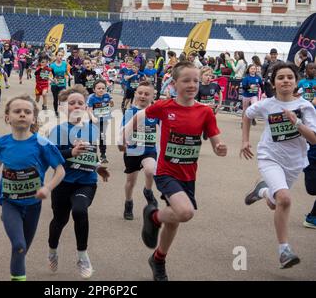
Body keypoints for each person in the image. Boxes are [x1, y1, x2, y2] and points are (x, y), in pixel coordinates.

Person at [125, 61, 227, 281]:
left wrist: (220, 148)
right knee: (185, 213)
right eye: (186, 80)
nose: (192, 85)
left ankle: (158, 259)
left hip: (188, 175)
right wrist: (125, 133)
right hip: (166, 171)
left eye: (196, 81)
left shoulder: (205, 112)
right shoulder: (164, 106)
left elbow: (216, 143)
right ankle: (153, 216)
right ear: (174, 83)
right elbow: (140, 116)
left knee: (174, 221)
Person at [0, 95, 65, 281]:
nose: (22, 114)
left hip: (33, 204)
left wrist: (47, 188)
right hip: (9, 201)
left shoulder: (43, 144)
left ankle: (16, 269)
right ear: (7, 117)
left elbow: (60, 171)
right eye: (17, 111)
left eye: (27, 112)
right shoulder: (2, 142)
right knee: (19, 245)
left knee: (22, 250)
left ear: (33, 118)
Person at [241, 63, 316, 269]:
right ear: (273, 83)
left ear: (296, 81)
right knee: (284, 198)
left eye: (289, 77)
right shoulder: (266, 105)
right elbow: (247, 115)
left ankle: (262, 190)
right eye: (280, 77)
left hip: (294, 162)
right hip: (270, 157)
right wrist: (245, 140)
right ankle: (284, 250)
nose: (285, 80)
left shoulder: (305, 107)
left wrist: (296, 123)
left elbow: (314, 139)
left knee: (275, 203)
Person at [47, 86, 109, 279]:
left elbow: (91, 155)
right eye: (71, 103)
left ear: (86, 106)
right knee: (60, 220)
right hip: (63, 182)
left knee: (80, 211)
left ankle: (82, 256)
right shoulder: (57, 130)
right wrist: (70, 152)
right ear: (63, 107)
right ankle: (52, 251)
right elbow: (52, 158)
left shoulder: (92, 129)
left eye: (80, 103)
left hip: (86, 182)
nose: (76, 106)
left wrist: (99, 167)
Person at [119, 81, 159, 220]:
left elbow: (168, 125)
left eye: (147, 94)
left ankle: (148, 191)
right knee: (131, 181)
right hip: (132, 151)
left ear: (153, 96)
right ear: (135, 94)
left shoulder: (156, 112)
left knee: (150, 170)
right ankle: (128, 202)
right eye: (140, 93)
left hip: (149, 150)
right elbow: (122, 130)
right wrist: (122, 141)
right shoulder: (130, 112)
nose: (143, 96)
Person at [87, 79, 114, 164]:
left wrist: (111, 102)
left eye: (103, 88)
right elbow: (89, 110)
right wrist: (92, 117)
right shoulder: (91, 98)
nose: (101, 90)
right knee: (93, 138)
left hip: (104, 121)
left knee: (102, 137)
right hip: (94, 121)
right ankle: (93, 155)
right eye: (99, 88)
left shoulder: (107, 95)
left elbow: (111, 104)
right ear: (94, 89)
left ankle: (103, 154)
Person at [50, 50, 69, 117]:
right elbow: (49, 75)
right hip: (54, 84)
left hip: (62, 84)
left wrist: (70, 76)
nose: (60, 57)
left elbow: (66, 72)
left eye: (61, 55)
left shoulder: (64, 64)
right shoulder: (52, 65)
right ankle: (56, 112)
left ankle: (61, 111)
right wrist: (52, 80)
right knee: (56, 99)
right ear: (56, 56)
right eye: (59, 55)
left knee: (62, 98)